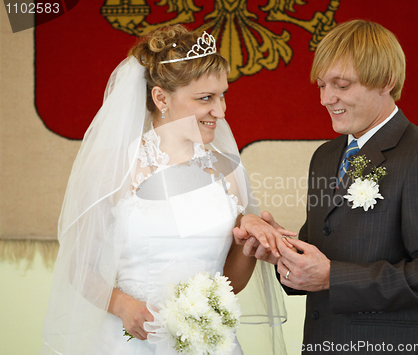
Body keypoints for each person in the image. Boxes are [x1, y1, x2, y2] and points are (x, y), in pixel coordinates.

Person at [40, 25, 290, 355]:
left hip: (210, 346)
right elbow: (79, 263)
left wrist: (251, 244)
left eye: (222, 95)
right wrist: (122, 306)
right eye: (206, 98)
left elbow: (230, 283)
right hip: (129, 343)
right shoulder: (114, 167)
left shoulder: (230, 172)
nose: (221, 111)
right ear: (161, 98)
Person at [236, 20, 418, 354]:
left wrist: (333, 277)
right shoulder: (327, 156)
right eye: (322, 85)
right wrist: (282, 251)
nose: (326, 99)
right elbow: (324, 249)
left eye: (341, 85)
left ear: (386, 82)